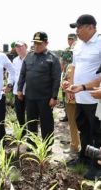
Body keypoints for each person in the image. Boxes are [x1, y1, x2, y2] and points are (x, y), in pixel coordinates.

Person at [64, 14, 101, 180]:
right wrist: (70, 85)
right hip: (80, 97)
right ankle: (85, 158)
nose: (77, 31)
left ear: (91, 27)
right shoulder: (78, 45)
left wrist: (85, 86)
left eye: (79, 27)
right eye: (76, 28)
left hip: (95, 98)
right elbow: (73, 66)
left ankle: (97, 166)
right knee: (83, 129)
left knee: (97, 133)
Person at [17, 32, 61, 147]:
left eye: (39, 43)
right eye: (35, 43)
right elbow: (22, 75)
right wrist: (19, 89)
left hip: (45, 98)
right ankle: (32, 145)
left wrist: (54, 97)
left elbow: (56, 79)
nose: (36, 46)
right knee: (31, 122)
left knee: (46, 123)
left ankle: (47, 146)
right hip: (30, 97)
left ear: (46, 43)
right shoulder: (29, 56)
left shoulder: (53, 58)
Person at [59, 33, 77, 122]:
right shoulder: (65, 51)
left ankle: (76, 116)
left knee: (75, 95)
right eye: (69, 39)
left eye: (72, 39)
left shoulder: (78, 49)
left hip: (76, 76)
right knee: (65, 95)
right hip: (66, 76)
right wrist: (61, 77)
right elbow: (62, 64)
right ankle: (67, 115)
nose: (70, 41)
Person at [12, 41, 28, 127]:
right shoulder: (15, 60)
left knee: (30, 114)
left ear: (26, 47)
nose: (19, 49)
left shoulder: (31, 58)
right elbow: (13, 75)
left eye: (21, 46)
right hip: (17, 91)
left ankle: (31, 135)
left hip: (29, 91)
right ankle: (22, 132)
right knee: (19, 113)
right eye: (17, 47)